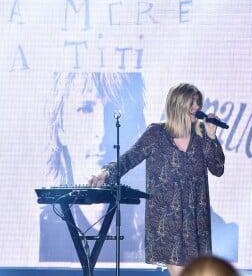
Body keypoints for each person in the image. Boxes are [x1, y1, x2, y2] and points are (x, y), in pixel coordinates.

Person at [89, 82, 225, 276]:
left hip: (195, 222)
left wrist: (212, 137)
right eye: (191, 108)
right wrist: (106, 172)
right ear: (177, 107)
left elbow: (218, 169)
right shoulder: (156, 133)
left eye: (198, 109)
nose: (196, 113)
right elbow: (130, 157)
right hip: (166, 220)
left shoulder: (202, 137)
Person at [40, 71, 147, 262]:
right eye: (85, 109)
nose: (101, 132)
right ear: (61, 127)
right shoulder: (40, 227)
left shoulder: (152, 224)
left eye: (114, 110)